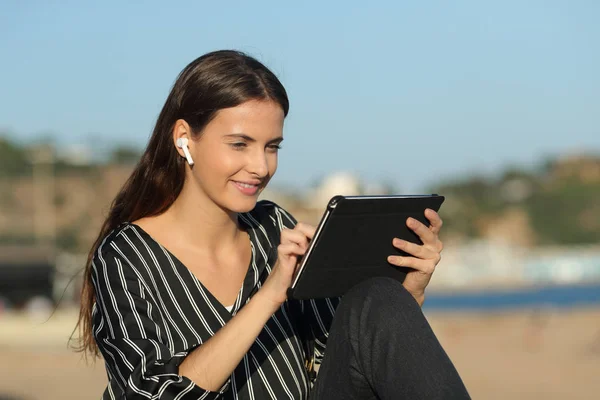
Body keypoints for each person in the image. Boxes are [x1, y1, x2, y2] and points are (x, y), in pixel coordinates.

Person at [74, 50, 470, 399]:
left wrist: (407, 295)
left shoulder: (274, 227)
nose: (261, 167)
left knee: (378, 296)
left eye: (272, 147)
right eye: (239, 144)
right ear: (184, 139)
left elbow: (338, 355)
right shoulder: (125, 257)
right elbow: (152, 394)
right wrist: (269, 296)